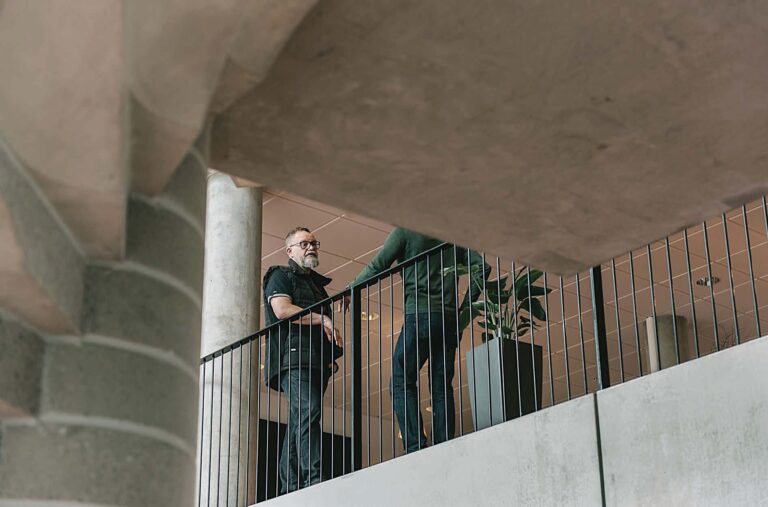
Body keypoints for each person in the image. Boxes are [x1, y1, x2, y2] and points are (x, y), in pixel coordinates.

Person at [347, 227, 489, 453]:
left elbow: (378, 265)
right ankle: (444, 445)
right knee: (442, 384)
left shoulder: (405, 231)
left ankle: (415, 445)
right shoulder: (455, 233)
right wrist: (464, 310)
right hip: (449, 317)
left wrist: (350, 289)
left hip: (420, 313)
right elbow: (483, 267)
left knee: (401, 379)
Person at [262, 226, 343, 493]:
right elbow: (283, 310)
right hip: (294, 359)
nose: (311, 247)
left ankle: (292, 487)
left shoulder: (317, 286)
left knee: (302, 418)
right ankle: (313, 480)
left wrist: (330, 358)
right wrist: (323, 318)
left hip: (317, 362)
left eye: (314, 243)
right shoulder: (279, 275)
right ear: (290, 251)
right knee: (308, 412)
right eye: (304, 243)